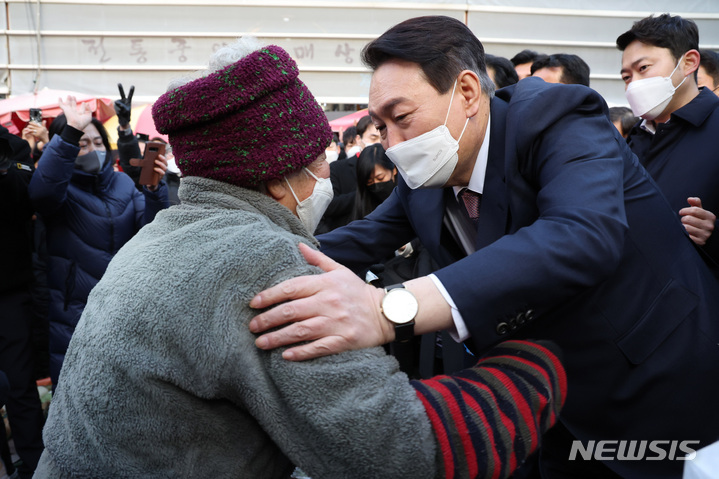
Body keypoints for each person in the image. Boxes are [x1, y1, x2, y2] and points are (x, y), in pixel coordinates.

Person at [34, 38, 566, 479]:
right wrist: (534, 365)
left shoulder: (163, 236)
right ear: (280, 175)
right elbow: (397, 451)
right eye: (319, 162)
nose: (327, 178)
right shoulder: (259, 261)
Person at [248, 15, 719, 478]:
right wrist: (244, 256)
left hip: (659, 381)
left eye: (403, 118)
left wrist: (389, 310)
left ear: (468, 93)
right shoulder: (424, 177)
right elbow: (357, 240)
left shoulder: (556, 118)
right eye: (382, 125)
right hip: (551, 401)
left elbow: (581, 234)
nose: (391, 145)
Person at [27, 97, 170, 387]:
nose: (92, 150)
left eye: (98, 142)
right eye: (82, 144)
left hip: (123, 307)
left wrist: (154, 190)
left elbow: (151, 231)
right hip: (73, 313)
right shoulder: (58, 188)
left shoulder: (123, 183)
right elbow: (41, 194)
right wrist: (71, 134)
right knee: (76, 393)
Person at [618, 14, 719, 264]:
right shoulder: (630, 141)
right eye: (626, 77)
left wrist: (714, 233)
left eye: (643, 68)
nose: (634, 85)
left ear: (688, 62)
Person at [0, 128, 45, 478]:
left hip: (10, 289)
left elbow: (26, 199)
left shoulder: (12, 145)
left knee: (19, 386)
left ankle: (34, 467)